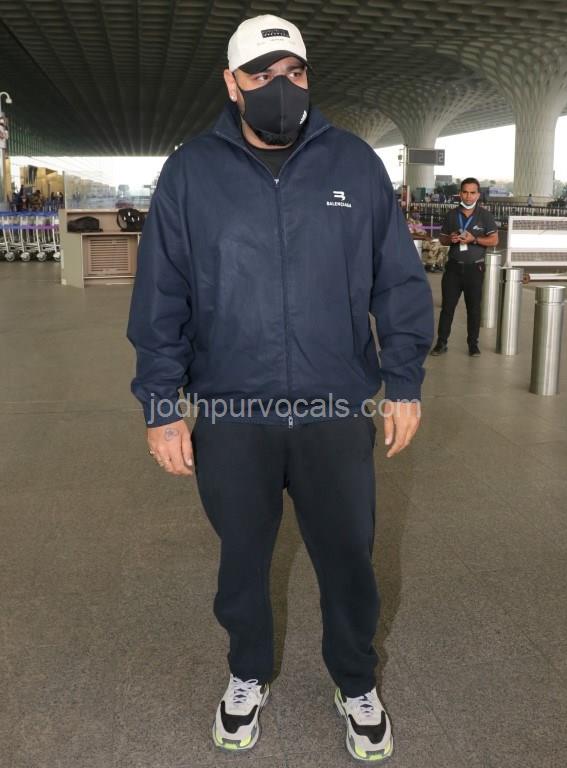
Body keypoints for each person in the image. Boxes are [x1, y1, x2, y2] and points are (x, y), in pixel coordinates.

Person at [127, 14, 433, 763]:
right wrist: (162, 407)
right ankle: (246, 672)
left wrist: (403, 381)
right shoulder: (191, 173)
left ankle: (355, 681)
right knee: (242, 561)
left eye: (294, 72)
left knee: (348, 559)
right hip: (233, 412)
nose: (281, 87)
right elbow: (161, 298)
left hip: (334, 407)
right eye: (262, 75)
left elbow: (397, 279)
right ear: (231, 85)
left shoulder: (353, 164)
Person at [431, 178, 498, 357]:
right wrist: (450, 238)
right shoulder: (452, 215)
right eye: (465, 192)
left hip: (474, 269)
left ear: (478, 194)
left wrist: (474, 239)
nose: (468, 196)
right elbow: (442, 239)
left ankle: (473, 345)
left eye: (472, 192)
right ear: (460, 193)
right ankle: (441, 343)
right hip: (453, 268)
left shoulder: (485, 216)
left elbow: (494, 240)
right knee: (447, 308)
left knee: (473, 309)